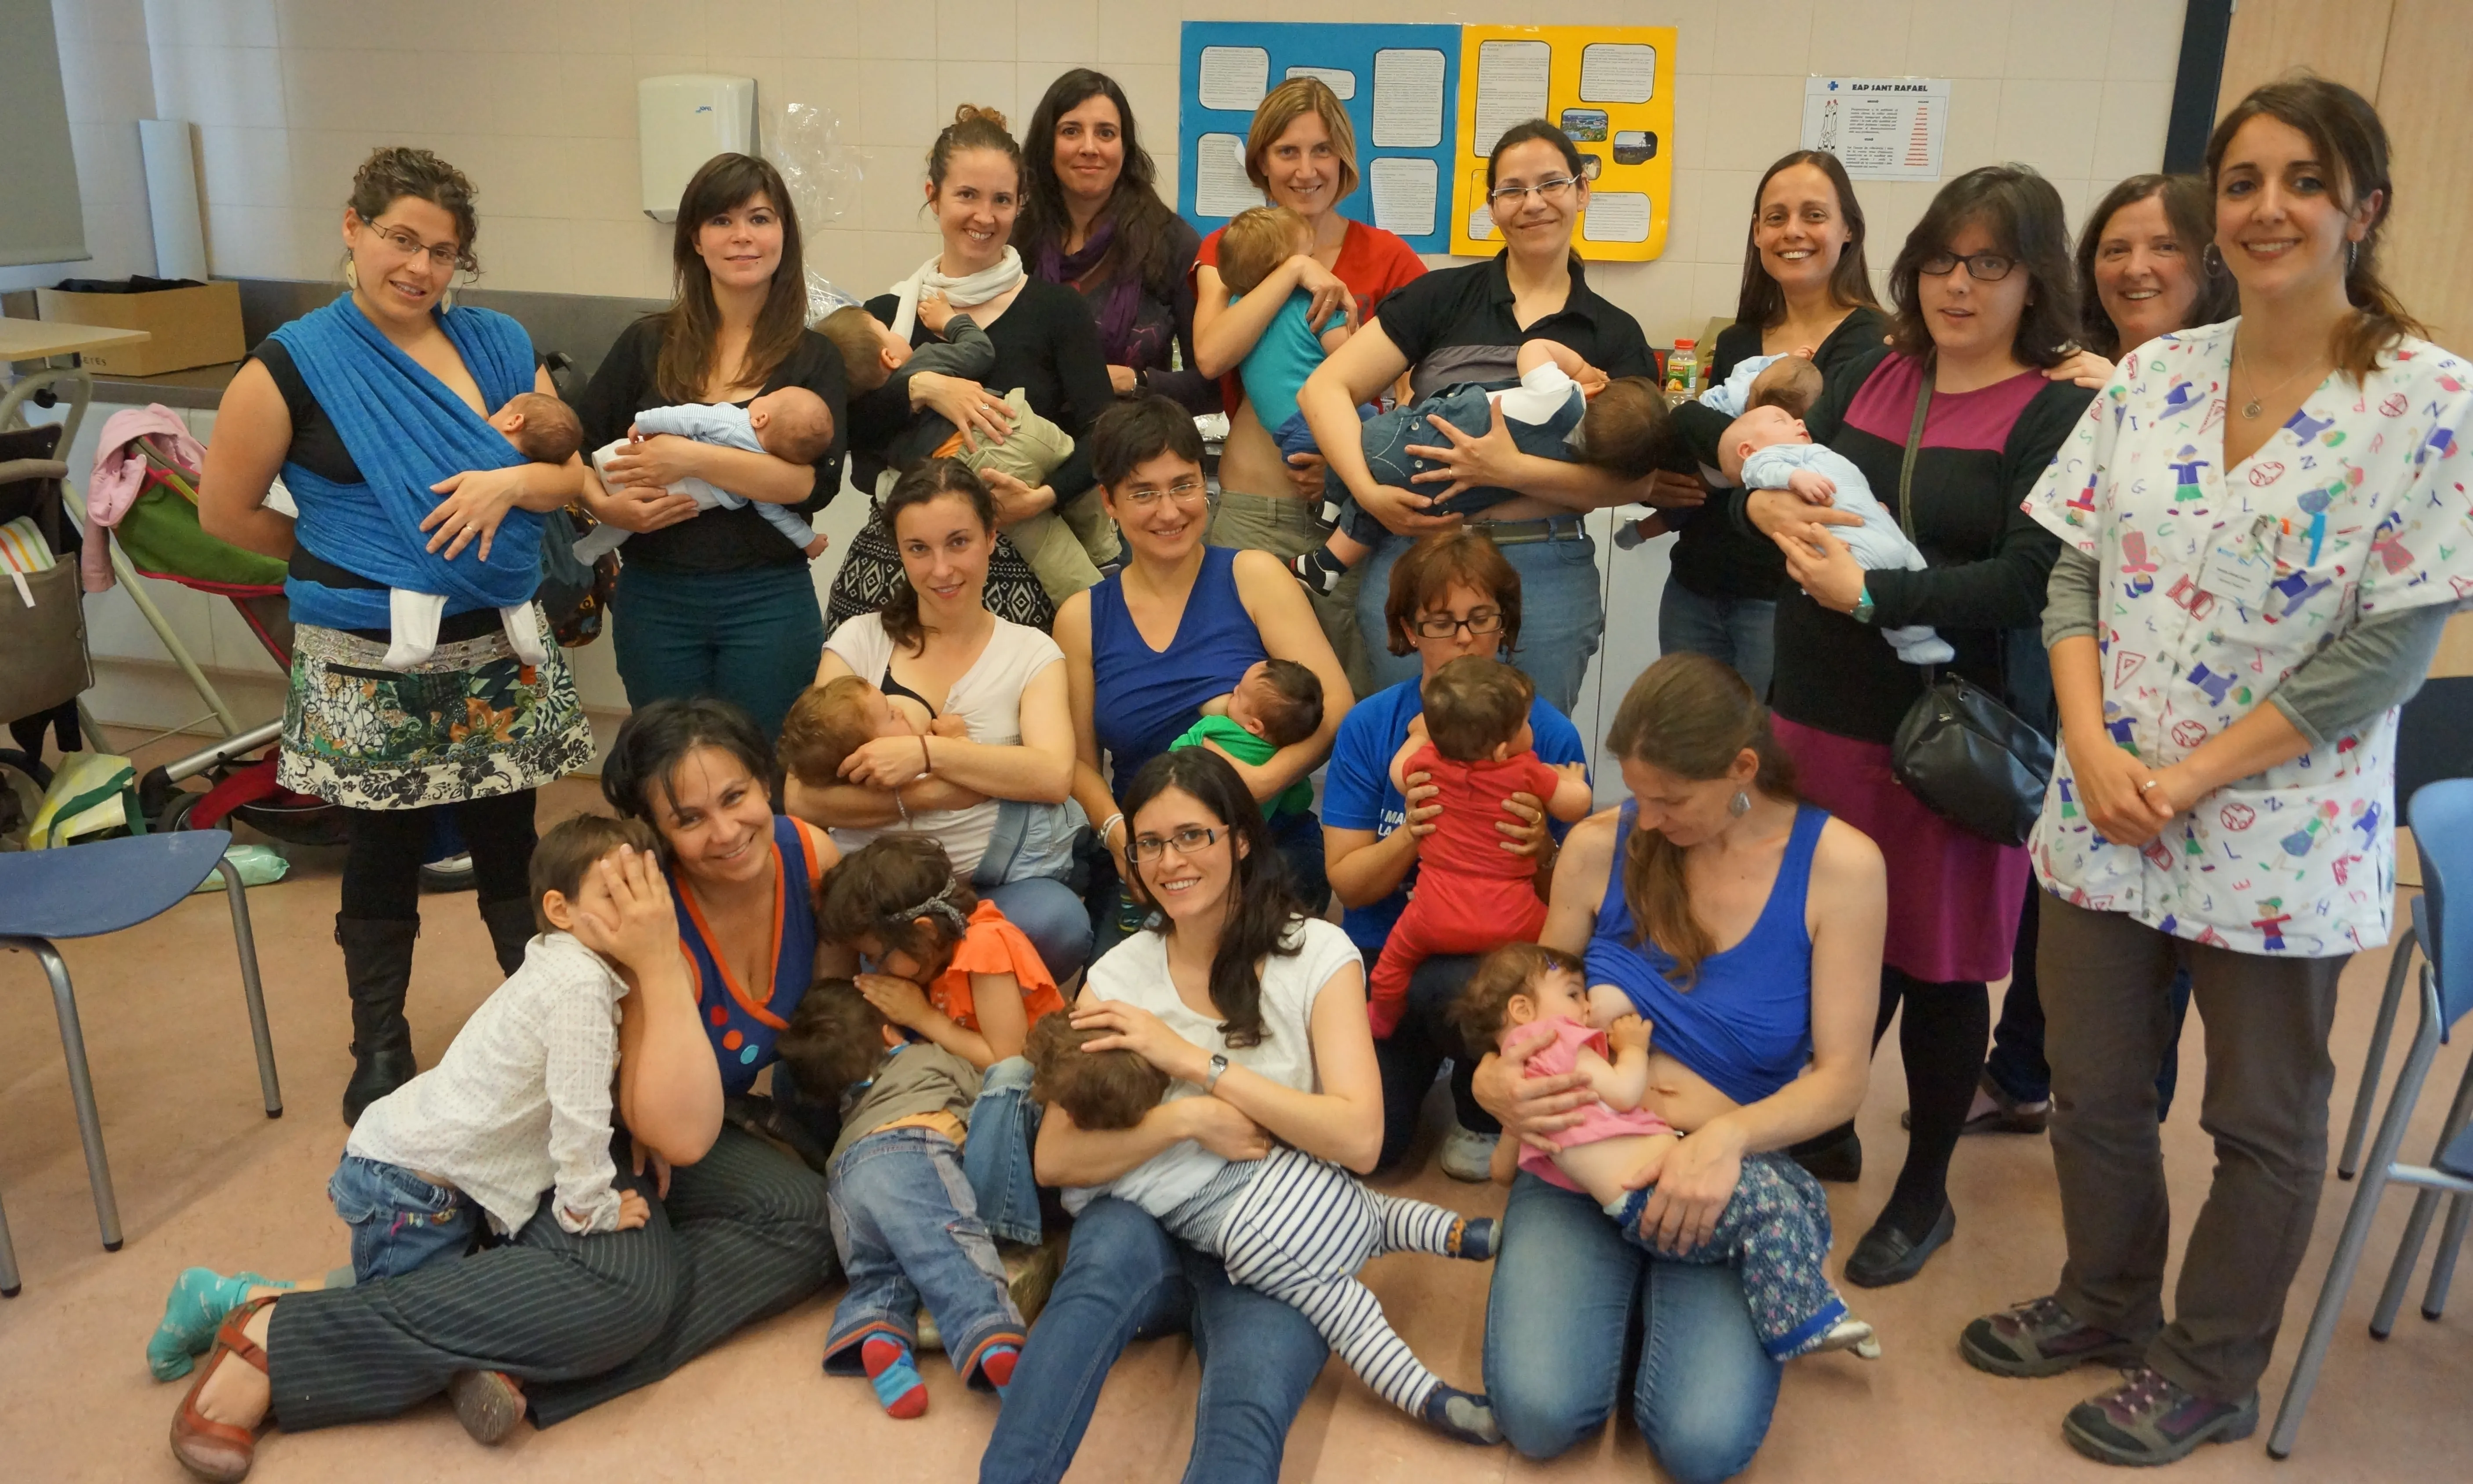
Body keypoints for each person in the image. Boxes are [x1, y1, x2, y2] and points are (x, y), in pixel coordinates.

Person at [1964, 76, 2473, 1468]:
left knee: (2260, 1116)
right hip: (2104, 799)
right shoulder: (2156, 375)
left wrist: (2184, 781)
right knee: (2097, 1084)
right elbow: (2072, 574)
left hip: (2278, 830)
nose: (2266, 208)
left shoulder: (2427, 402)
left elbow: (2386, 653)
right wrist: (2089, 739)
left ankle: (2211, 1364)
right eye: (2241, 181)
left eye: (2303, 181)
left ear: (2362, 209)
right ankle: (2103, 1297)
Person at [161, 699, 844, 1477]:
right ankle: (279, 1339)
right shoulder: (629, 913)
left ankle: (519, 1349)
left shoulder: (807, 857)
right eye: (689, 818)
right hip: (572, 1137)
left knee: (804, 1222)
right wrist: (656, 961)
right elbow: (661, 1133)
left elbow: (814, 1026)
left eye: (737, 798)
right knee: (632, 1290)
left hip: (675, 1121)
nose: (725, 832)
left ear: (768, 784)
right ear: (653, 832)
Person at [1739, 163, 2095, 1284]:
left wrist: (1875, 595)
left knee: (1937, 966)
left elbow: (2029, 580)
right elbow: (1788, 477)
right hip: (1816, 710)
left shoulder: (2056, 410)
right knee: (1815, 943)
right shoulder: (1875, 376)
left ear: (2034, 279)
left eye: (1988, 262)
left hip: (1948, 733)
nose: (1958, 284)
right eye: (1940, 259)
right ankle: (1823, 1120)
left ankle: (1925, 1188)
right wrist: (1765, 504)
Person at [197, 145, 596, 1127]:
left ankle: (535, 1015)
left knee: (511, 836)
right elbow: (227, 512)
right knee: (383, 844)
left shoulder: (501, 345)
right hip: (368, 650)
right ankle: (378, 1040)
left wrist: (512, 483)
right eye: (400, 239)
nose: (418, 267)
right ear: (354, 228)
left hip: (498, 638)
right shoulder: (292, 365)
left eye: (443, 251)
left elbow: (574, 480)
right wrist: (355, 556)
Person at [1469, 652, 1884, 1482]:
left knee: (1700, 1445)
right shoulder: (1599, 847)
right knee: (1540, 1415)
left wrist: (1723, 1138)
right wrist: (1493, 1084)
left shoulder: (1841, 868)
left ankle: (1644, 1299)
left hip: (1722, 1167)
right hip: (1582, 1157)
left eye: (1670, 799)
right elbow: (1525, 999)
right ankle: (1615, 1298)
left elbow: (1841, 1080)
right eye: (1638, 793)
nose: (1647, 819)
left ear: (1742, 769)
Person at [977, 747, 1395, 1484]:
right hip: (1145, 1232)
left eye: (1192, 836)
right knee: (1096, 1272)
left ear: (1238, 838)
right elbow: (1055, 1159)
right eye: (1149, 843)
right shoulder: (1116, 974)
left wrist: (1197, 1065)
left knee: (1247, 1408)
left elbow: (1360, 1138)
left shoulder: (1318, 954)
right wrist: (1184, 1123)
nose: (1169, 861)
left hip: (1277, 1244)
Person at [144, 814, 661, 1385]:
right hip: (410, 1189)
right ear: (562, 912)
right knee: (391, 1320)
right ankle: (225, 1298)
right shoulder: (581, 988)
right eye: (617, 894)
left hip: (423, 1168)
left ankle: (458, 1370)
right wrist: (593, 1208)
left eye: (645, 890)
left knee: (426, 1304)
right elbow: (579, 1115)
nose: (637, 910)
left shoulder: (559, 958)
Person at [1966, 171, 2238, 1138]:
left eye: (2161, 245)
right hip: (2071, 677)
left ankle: (2126, 1108)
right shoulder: (2082, 381)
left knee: (2151, 908)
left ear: (2211, 260)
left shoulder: (2227, 387)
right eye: (2113, 248)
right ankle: (2024, 1069)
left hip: (2191, 713)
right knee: (2062, 888)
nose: (2133, 266)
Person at [1298, 120, 1665, 717]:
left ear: (1581, 193)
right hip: (1422, 558)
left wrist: (1508, 468)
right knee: (1409, 754)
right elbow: (1324, 390)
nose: (1533, 203)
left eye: (1551, 184)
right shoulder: (1440, 297)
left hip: (1544, 572)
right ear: (1492, 206)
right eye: (1512, 190)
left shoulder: (1611, 333)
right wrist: (1367, 492)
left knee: (1530, 762)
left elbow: (1634, 480)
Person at [1023, 1013, 1504, 1446]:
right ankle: (1468, 1235)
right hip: (1299, 1181)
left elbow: (1071, 1180)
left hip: (1262, 1238)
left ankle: (1432, 1398)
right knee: (1384, 1216)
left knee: (1355, 1322)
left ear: (1070, 1113)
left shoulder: (1103, 1173)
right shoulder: (1187, 1093)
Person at [1451, 942, 1879, 1364]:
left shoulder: (1524, 1091)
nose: (1586, 1006)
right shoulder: (1557, 1040)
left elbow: (1502, 1169)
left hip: (1635, 1203)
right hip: (1657, 1193)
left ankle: (1811, 1291)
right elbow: (1622, 1092)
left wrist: (1513, 1121)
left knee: (1786, 1185)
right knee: (1774, 1201)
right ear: (1524, 1011)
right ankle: (1794, 1318)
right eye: (1573, 994)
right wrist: (1633, 1048)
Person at [1322, 531, 1582, 1178]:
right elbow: (1349, 887)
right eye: (1441, 622)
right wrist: (1415, 831)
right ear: (1409, 629)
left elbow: (1571, 921)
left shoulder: (1544, 732)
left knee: (1460, 984)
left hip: (1493, 961)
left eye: (1482, 618)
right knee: (1370, 1151)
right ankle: (1418, 1053)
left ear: (1505, 625)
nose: (1464, 639)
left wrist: (1543, 850)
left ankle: (1476, 1094)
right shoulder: (1371, 725)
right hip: (1388, 950)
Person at [576, 152, 847, 742]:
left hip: (768, 598)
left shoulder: (813, 357)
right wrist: (606, 507)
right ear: (695, 240)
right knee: (668, 767)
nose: (742, 236)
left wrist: (691, 458)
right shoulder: (647, 343)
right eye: (722, 221)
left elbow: (810, 486)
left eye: (760, 218)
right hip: (655, 597)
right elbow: (576, 448)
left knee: (763, 765)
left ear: (784, 236)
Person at [1059, 396, 1353, 930]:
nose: (1169, 511)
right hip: (1145, 849)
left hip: (1263, 842)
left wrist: (1264, 782)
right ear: (1109, 501)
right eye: (1143, 493)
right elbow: (1081, 765)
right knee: (1110, 1002)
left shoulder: (1256, 576)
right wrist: (1122, 839)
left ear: (1205, 484)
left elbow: (1336, 707)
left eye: (1183, 486)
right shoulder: (1082, 617)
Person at [796, 460, 1094, 983]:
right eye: (919, 549)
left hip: (992, 888)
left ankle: (930, 994)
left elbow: (1052, 776)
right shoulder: (859, 642)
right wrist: (935, 794)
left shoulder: (1032, 652)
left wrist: (926, 754)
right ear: (899, 551)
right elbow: (801, 797)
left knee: (1059, 921)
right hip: (878, 890)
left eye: (958, 542)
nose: (940, 569)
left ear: (991, 537)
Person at [833, 105, 1119, 632]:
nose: (984, 217)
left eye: (1001, 200)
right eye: (967, 195)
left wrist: (1043, 497)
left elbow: (1106, 435)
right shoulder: (884, 318)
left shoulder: (1055, 311)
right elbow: (854, 451)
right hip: (899, 571)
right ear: (932, 195)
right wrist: (923, 388)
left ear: (1020, 205)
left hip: (1026, 572)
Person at [1193, 76, 1428, 688]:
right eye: (1287, 152)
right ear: (1261, 164)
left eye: (1321, 150)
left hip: (1352, 518)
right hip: (1252, 514)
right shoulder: (1231, 247)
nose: (1306, 170)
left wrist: (1352, 469)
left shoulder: (1389, 258)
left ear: (1344, 160)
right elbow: (1212, 354)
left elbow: (1420, 388)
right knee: (1245, 700)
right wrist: (1294, 269)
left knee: (1360, 694)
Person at [1652, 152, 1889, 698]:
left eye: (1814, 214)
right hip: (1695, 585)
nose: (1793, 232)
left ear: (1848, 228)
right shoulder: (1740, 337)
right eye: (1775, 217)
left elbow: (1814, 464)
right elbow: (1710, 445)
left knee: (1769, 770)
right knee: (1694, 762)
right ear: (1757, 232)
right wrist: (1715, 439)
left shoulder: (1871, 344)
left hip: (1787, 599)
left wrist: (1707, 432)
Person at [778, 978, 1025, 1415]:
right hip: (910, 1152)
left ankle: (879, 1338)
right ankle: (992, 1338)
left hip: (845, 1178)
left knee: (879, 1270)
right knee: (949, 1246)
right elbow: (983, 1094)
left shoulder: (846, 1104)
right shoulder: (926, 1055)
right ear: (890, 1033)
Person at [1298, 342, 1669, 594]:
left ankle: (1333, 503)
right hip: (1443, 496)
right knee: (1386, 510)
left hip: (1410, 442)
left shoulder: (1561, 393)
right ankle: (1329, 563)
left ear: (1593, 393)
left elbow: (1533, 349)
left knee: (1362, 442)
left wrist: (1583, 370)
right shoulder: (1571, 461)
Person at [1367, 657, 1592, 1037]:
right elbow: (1576, 804)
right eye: (1525, 724)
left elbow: (1397, 770)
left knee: (1391, 965)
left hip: (1432, 914)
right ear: (1503, 750)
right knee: (1562, 954)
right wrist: (1570, 779)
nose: (1532, 730)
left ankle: (1381, 1019)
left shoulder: (1428, 765)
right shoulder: (1524, 771)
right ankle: (1567, 1017)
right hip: (1512, 917)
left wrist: (1421, 738)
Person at [1018, 68, 1216, 414]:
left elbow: (1212, 385)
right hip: (1028, 453)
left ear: (1125, 149)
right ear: (1047, 145)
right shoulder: (1016, 239)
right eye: (1071, 131)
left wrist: (1135, 382)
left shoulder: (1171, 242)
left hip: (1136, 452)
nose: (1090, 148)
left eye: (1106, 133)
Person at [1719, 400, 1953, 664]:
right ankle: (1901, 636)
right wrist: (1794, 478)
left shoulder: (1817, 453)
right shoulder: (1771, 459)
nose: (1799, 422)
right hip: (1847, 540)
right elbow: (1759, 471)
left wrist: (1871, 505)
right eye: (1780, 421)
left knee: (1913, 568)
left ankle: (1920, 638)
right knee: (1868, 583)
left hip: (1876, 525)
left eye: (1796, 419)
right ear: (1748, 449)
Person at [816, 834, 1067, 1071]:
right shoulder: (932, 957)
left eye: (876, 958)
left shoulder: (984, 947)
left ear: (926, 932)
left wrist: (922, 1017)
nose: (878, 970)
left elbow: (1008, 1064)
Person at [382, 391, 582, 669]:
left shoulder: (477, 448)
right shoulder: (537, 470)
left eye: (502, 409)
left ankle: (413, 642)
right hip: (513, 560)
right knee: (517, 593)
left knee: (416, 584)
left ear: (514, 422)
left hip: (456, 546)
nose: (492, 413)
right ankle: (528, 641)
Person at [572, 384, 836, 563]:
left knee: (625, 511)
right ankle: (588, 551)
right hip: (659, 499)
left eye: (768, 397)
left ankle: (588, 547)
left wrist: (644, 421)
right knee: (624, 526)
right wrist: (808, 540)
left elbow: (688, 416)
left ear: (760, 419)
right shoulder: (760, 479)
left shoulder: (733, 421)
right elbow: (776, 514)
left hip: (627, 468)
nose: (761, 397)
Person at [1167, 658, 1324, 820]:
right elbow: (1298, 804)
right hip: (1245, 839)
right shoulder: (1281, 765)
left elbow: (1175, 752)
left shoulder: (1215, 727)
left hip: (1188, 817)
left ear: (1254, 725)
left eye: (1240, 694)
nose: (1234, 690)